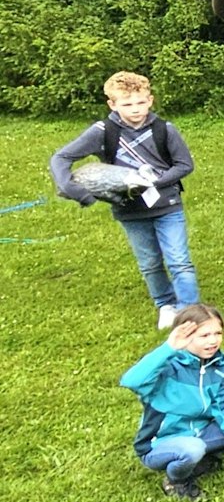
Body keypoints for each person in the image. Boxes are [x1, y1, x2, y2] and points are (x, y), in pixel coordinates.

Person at [50, 71, 199, 329]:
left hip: (167, 206)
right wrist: (73, 189)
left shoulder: (165, 130)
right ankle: (165, 304)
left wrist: (152, 182)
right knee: (149, 262)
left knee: (178, 260)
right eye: (127, 104)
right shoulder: (102, 131)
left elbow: (184, 165)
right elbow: (61, 158)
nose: (135, 110)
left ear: (150, 100)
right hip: (129, 210)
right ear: (112, 104)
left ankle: (189, 311)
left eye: (141, 102)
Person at [121, 304, 224, 501]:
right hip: (159, 444)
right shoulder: (168, 365)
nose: (213, 341)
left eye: (217, 333)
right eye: (204, 335)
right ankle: (177, 481)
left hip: (200, 433)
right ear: (184, 337)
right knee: (193, 449)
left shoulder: (218, 366)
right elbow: (132, 381)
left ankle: (203, 460)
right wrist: (168, 348)